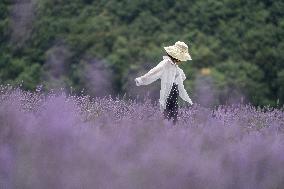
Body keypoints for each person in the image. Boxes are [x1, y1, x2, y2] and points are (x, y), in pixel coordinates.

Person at [135, 41, 193, 124]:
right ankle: (167, 131)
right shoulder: (166, 63)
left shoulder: (174, 66)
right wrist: (141, 79)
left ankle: (171, 131)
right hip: (169, 92)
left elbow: (181, 76)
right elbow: (154, 72)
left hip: (174, 91)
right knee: (168, 114)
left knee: (173, 114)